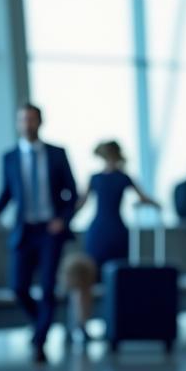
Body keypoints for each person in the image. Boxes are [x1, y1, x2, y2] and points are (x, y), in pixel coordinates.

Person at [0, 104, 77, 364]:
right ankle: (41, 324)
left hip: (50, 230)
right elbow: (6, 193)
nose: (27, 124)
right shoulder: (9, 157)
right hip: (24, 230)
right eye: (23, 119)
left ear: (40, 122)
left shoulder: (57, 154)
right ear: (17, 123)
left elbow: (72, 193)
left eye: (32, 119)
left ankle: (40, 341)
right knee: (18, 287)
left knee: (47, 287)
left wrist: (62, 219)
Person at [67, 140, 159, 339]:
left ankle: (109, 324)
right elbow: (80, 203)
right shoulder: (111, 178)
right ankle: (83, 323)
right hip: (105, 232)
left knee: (112, 280)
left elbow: (80, 203)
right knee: (88, 279)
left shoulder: (110, 178)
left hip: (109, 232)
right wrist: (63, 218)